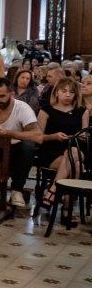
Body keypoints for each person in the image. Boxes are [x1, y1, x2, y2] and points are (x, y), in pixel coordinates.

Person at [36, 77, 89, 205]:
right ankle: (67, 207)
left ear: (76, 94)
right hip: (51, 151)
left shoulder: (82, 111)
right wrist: (54, 136)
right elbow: (38, 137)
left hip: (76, 148)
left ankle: (53, 190)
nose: (67, 95)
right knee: (77, 166)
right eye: (64, 91)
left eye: (71, 92)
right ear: (57, 92)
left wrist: (81, 136)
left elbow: (85, 134)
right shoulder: (46, 110)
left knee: (73, 151)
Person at [0, 78, 40, 208]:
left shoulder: (22, 108)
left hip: (16, 150)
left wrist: (10, 133)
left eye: (2, 96)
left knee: (28, 145)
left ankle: (17, 190)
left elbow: (37, 134)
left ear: (11, 93)